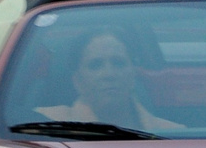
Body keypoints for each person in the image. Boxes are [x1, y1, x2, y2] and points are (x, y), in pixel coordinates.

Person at [35, 32, 181, 130]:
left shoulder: (171, 133)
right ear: (77, 81)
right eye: (95, 65)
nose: (109, 74)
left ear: (133, 75)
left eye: (118, 63)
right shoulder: (42, 124)